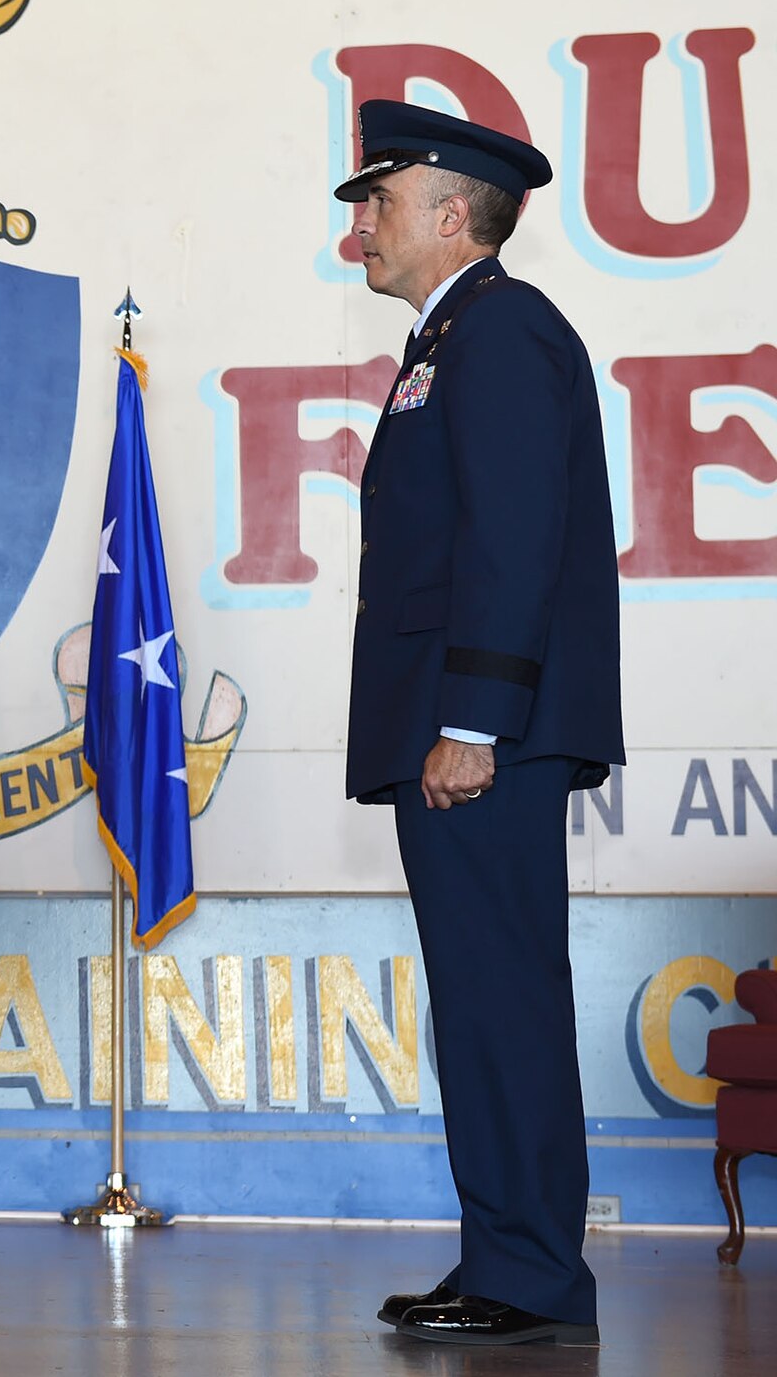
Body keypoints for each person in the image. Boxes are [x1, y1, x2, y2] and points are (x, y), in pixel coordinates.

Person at [338, 100, 623, 1347]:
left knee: (498, 996)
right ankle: (506, 1257)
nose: (358, 226)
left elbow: (510, 545)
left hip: (481, 737)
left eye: (376, 202)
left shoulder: (497, 331)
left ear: (450, 212)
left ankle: (527, 1272)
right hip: (465, 730)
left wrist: (470, 721)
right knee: (482, 996)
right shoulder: (450, 336)